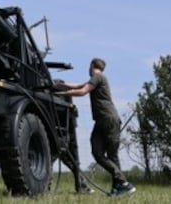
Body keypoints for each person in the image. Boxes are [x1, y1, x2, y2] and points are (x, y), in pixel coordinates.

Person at [55, 58, 136, 196]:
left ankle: (122, 184)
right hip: (102, 120)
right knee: (99, 152)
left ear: (91, 65)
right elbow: (79, 86)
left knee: (110, 155)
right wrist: (61, 84)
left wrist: (61, 94)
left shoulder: (98, 77)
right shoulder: (96, 79)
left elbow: (82, 91)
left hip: (108, 119)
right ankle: (119, 185)